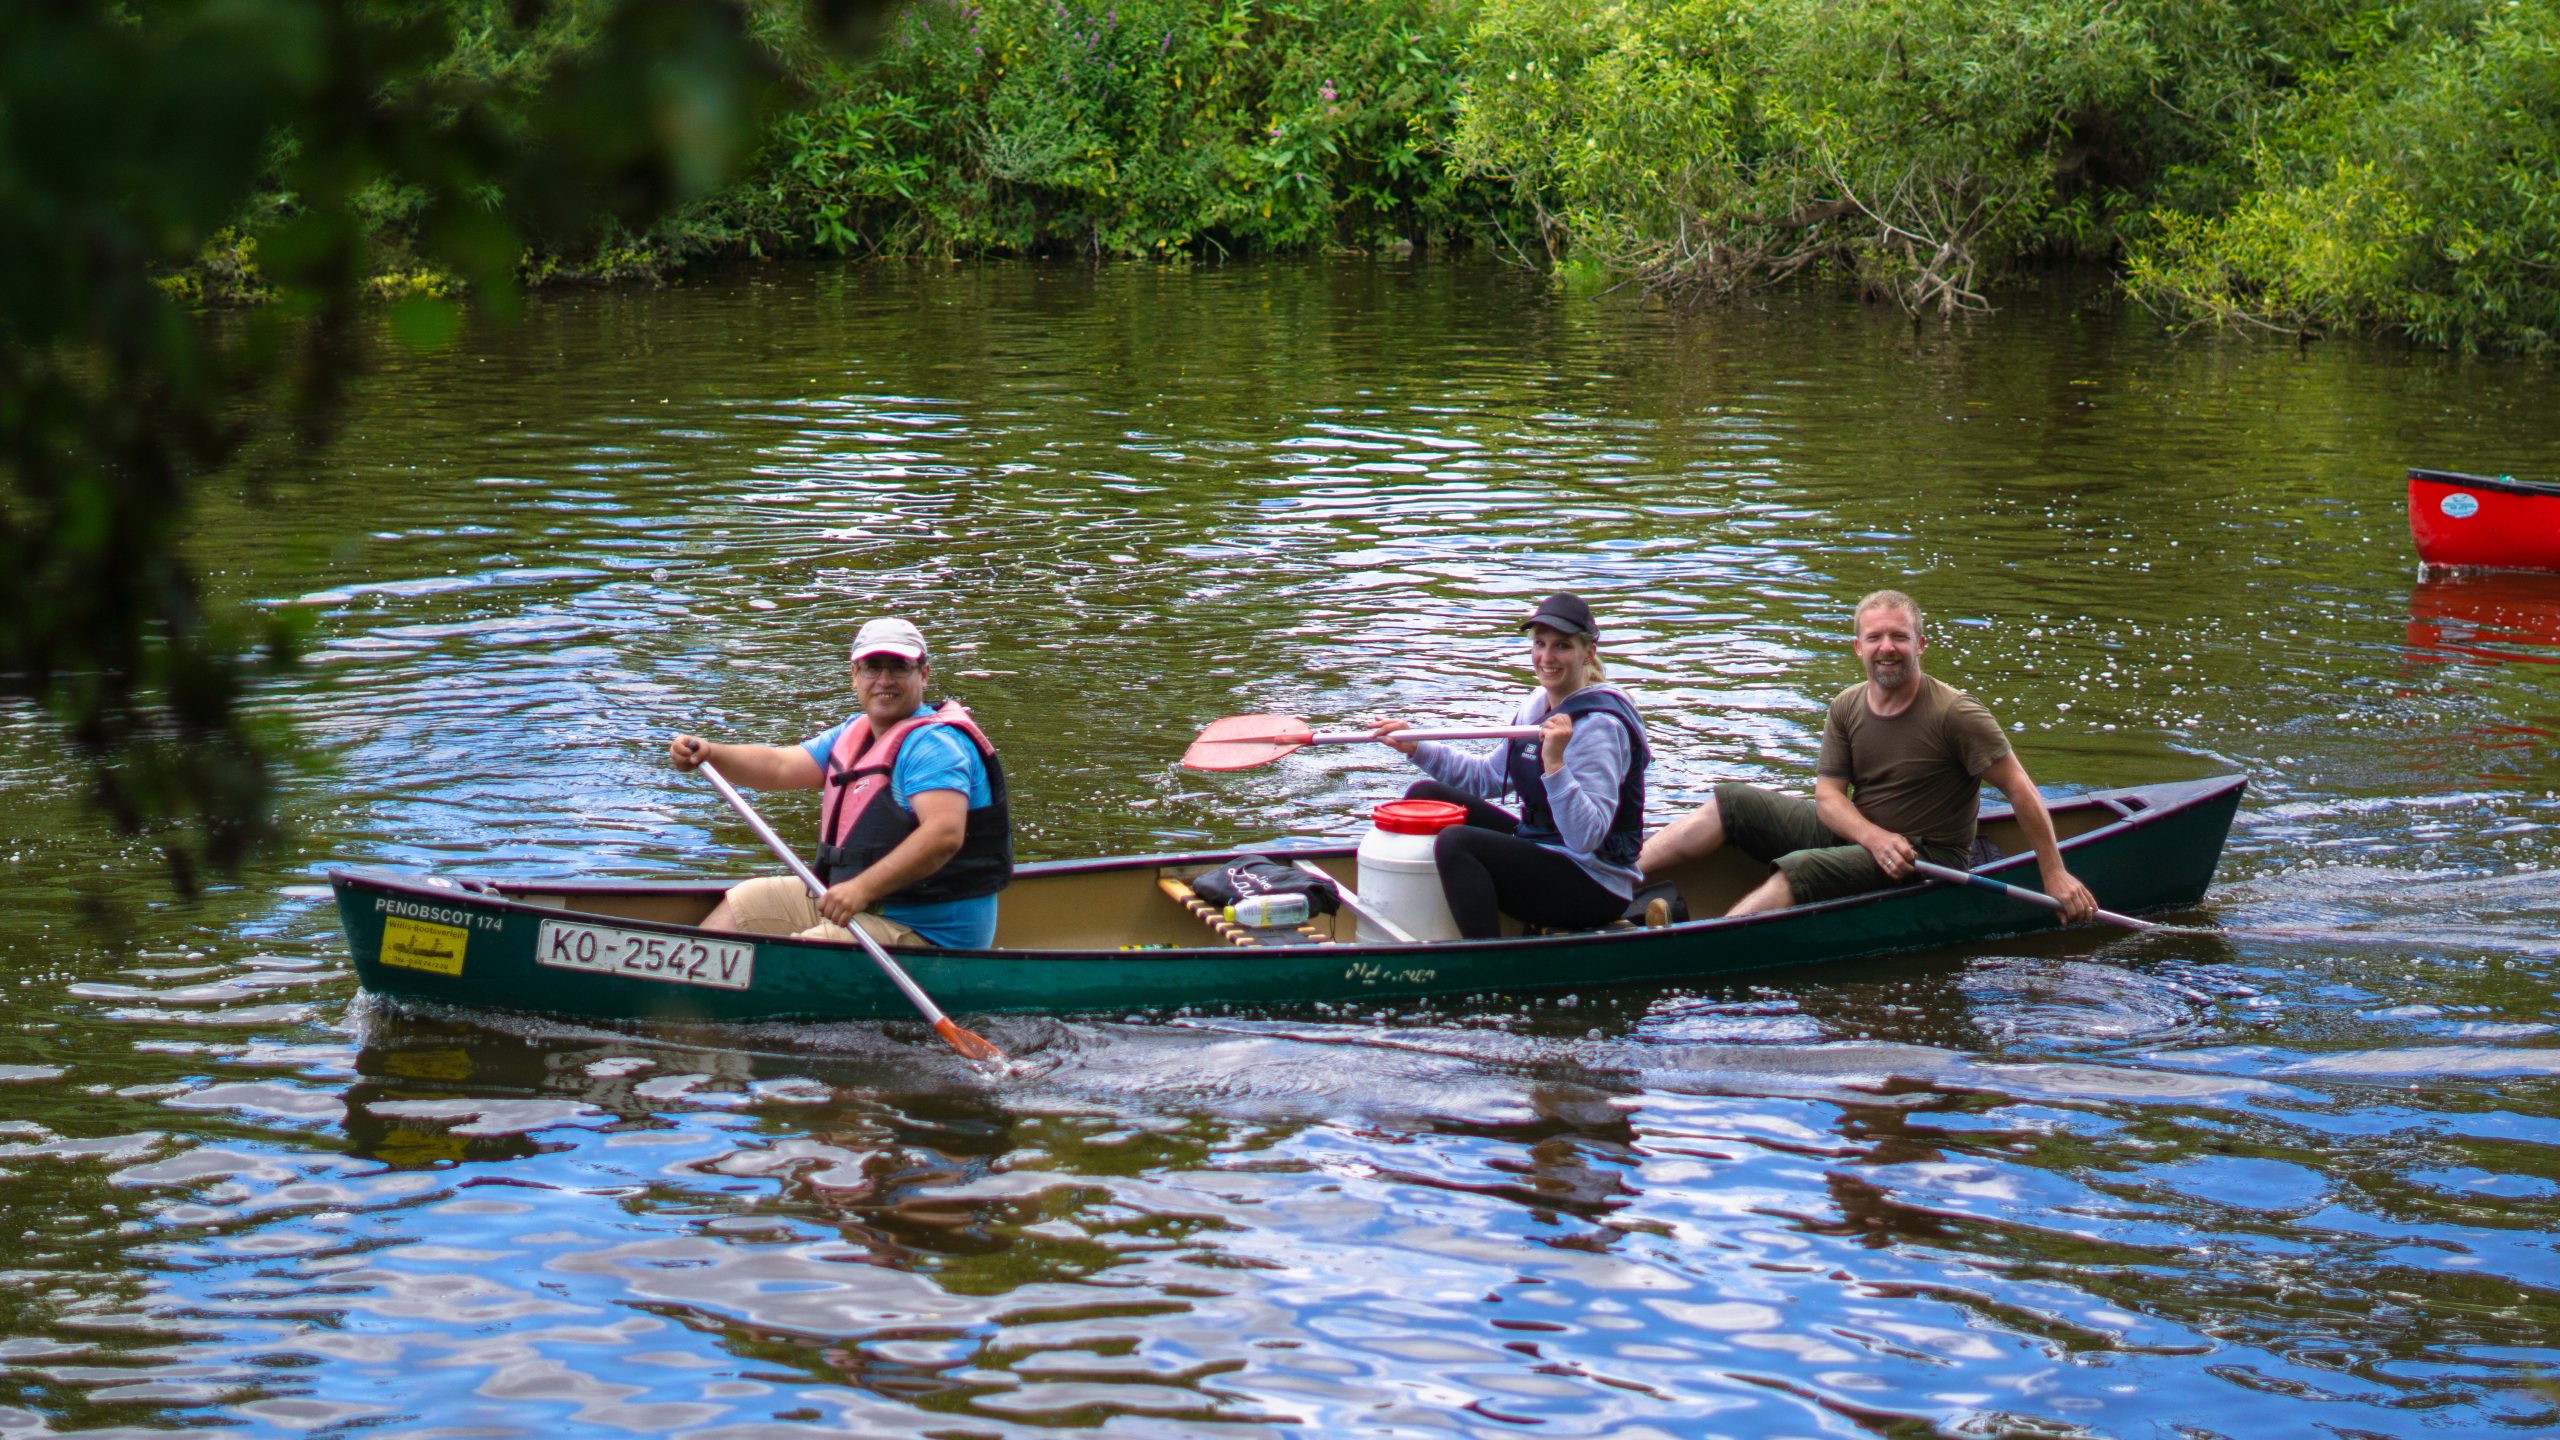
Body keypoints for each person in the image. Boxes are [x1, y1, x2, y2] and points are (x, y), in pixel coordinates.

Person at [1637, 589, 2097, 922]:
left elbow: (2020, 789)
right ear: (1859, 648)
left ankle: (1715, 942)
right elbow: (1829, 798)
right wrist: (1873, 838)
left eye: (1899, 637)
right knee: (1731, 802)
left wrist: (2054, 874)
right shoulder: (1847, 705)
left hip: (1927, 857)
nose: (1887, 648)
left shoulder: (1955, 712)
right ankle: (1609, 880)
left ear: (1920, 645)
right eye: (1875, 638)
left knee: (1800, 869)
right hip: (1869, 838)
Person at [666, 617, 1011, 949]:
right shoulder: (855, 732)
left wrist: (861, 888)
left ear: (923, 674)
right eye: (873, 667)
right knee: (746, 904)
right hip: (863, 905)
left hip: (928, 931)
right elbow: (779, 767)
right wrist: (711, 753)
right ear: (855, 676)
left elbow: (944, 835)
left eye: (899, 667)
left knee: (805, 951)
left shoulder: (935, 745)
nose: (885, 679)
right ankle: (681, 992)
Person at [1371, 593, 1652, 939]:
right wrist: (1418, 748)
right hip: (1542, 848)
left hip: (1594, 884)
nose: (1546, 658)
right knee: (1424, 795)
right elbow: (1486, 777)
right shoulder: (1537, 704)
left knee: (1456, 843)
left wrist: (1555, 763)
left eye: (1562, 646)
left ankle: (1485, 963)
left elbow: (1585, 838)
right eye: (1540, 644)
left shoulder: (1600, 728)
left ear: (1588, 653)